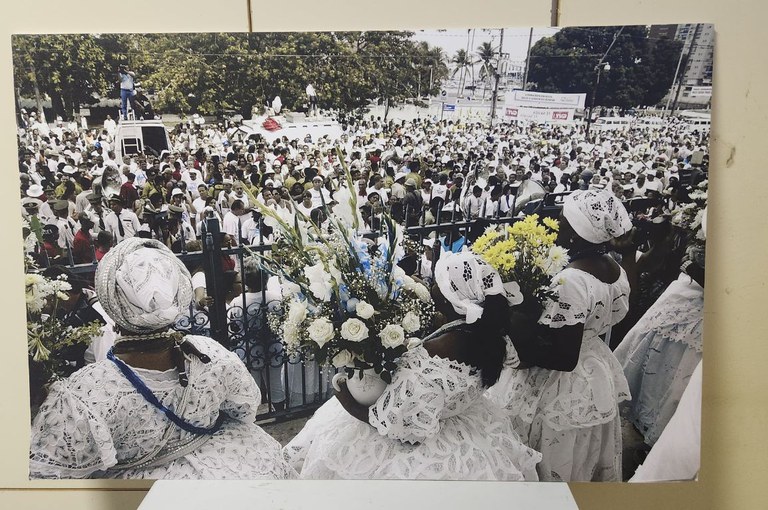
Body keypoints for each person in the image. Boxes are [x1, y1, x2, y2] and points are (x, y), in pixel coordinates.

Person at [29, 238, 296, 480]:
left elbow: (51, 475)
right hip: (237, 467)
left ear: (113, 304)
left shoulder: (87, 392)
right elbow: (245, 408)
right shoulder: (210, 352)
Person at [283, 251, 541, 480]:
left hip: (419, 442)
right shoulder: (489, 333)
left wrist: (346, 400)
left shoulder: (438, 351)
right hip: (469, 423)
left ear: (451, 300)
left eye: (438, 283)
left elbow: (401, 425)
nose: (432, 287)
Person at [489, 188, 634, 482]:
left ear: (579, 231)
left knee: (553, 453)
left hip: (562, 385)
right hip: (594, 366)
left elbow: (565, 357)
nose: (558, 222)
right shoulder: (614, 267)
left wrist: (520, 342)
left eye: (564, 218)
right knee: (583, 454)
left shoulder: (571, 280)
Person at [614, 255, 705, 448]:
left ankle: (662, 438)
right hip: (685, 293)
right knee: (650, 357)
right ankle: (641, 426)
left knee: (681, 379)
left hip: (705, 311)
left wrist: (698, 272)